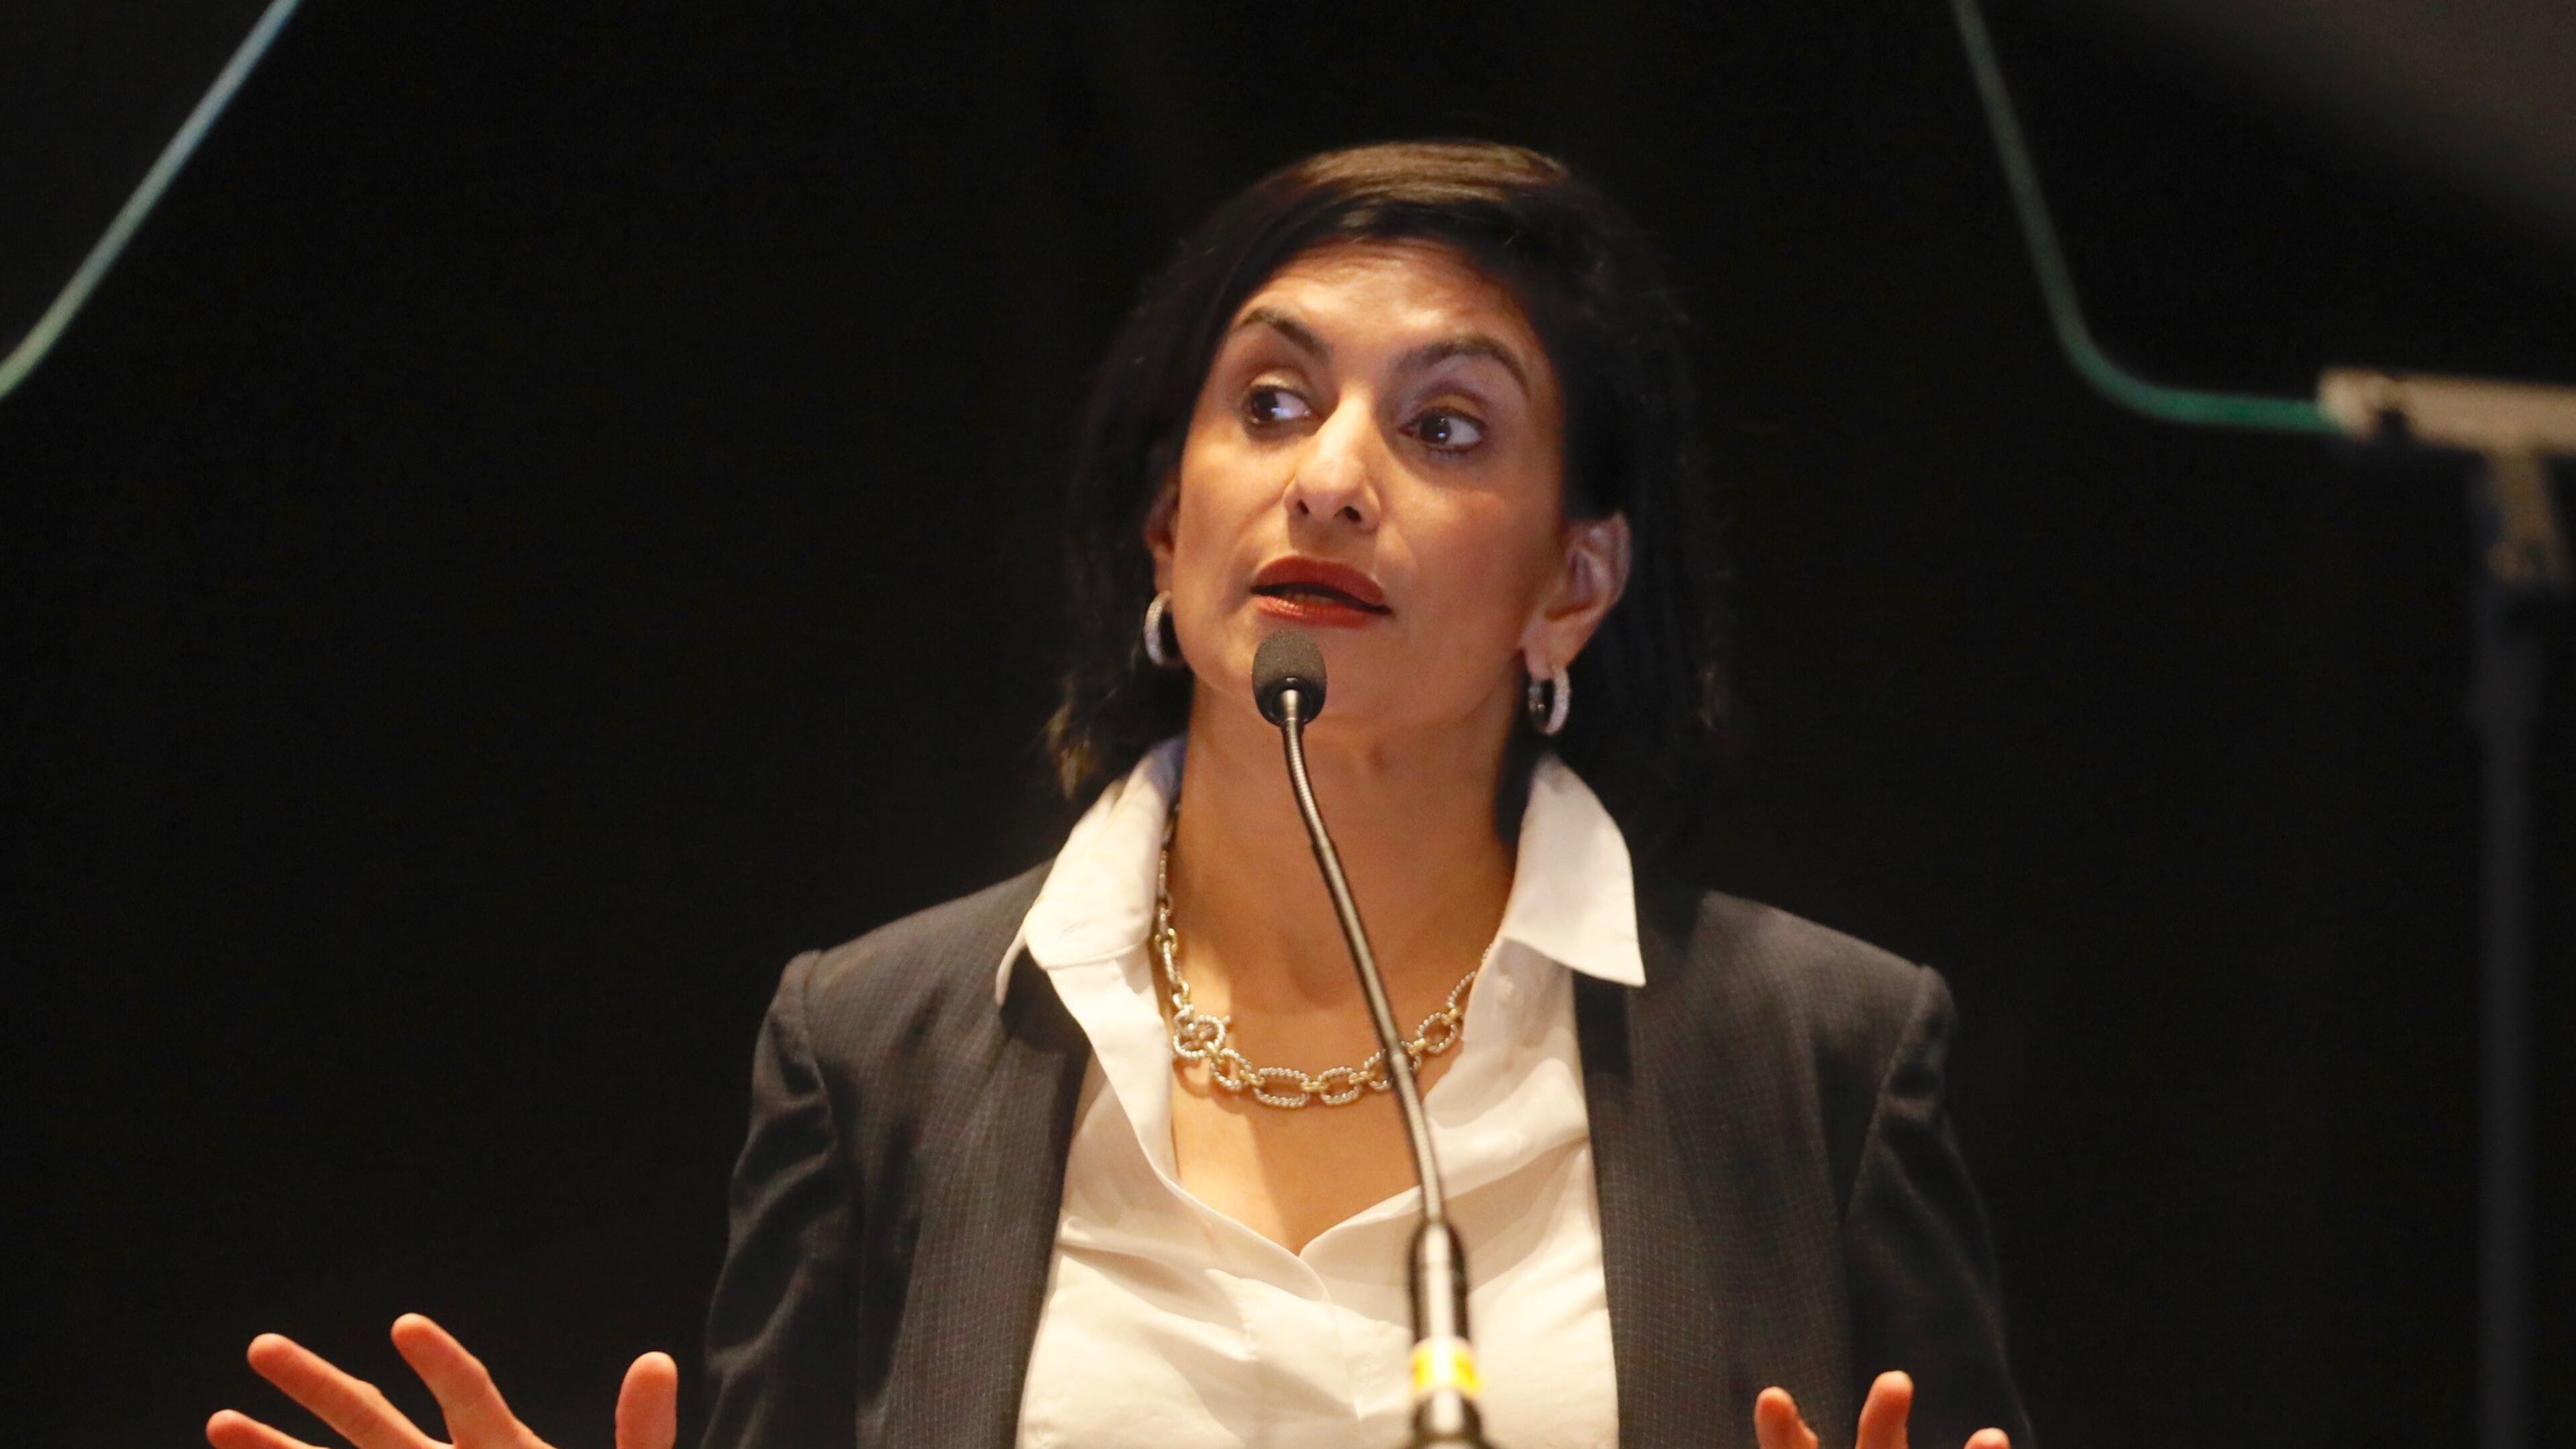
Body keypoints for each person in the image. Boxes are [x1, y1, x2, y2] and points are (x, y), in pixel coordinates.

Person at [209, 140, 2029, 1449]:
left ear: (1575, 580)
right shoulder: (881, 1050)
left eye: (1445, 427)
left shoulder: (1817, 1060)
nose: (1327, 482)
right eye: (1267, 403)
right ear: (1167, 524)